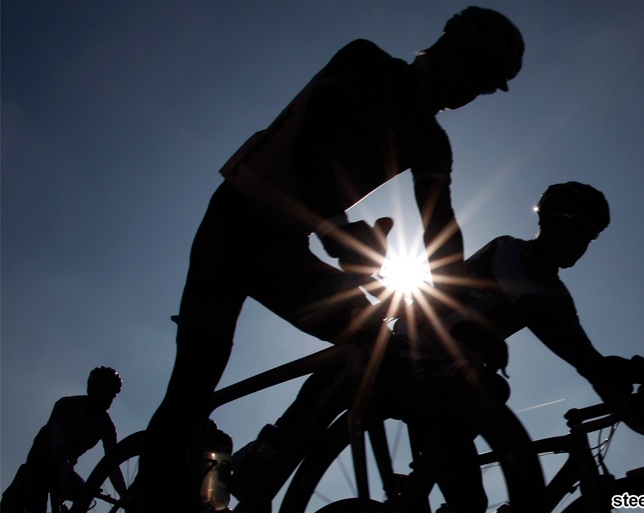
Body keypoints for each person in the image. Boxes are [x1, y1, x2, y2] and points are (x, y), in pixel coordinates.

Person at [137, 6, 525, 512]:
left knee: (374, 343)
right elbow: (311, 144)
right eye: (478, 75)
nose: (475, 93)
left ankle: (270, 457)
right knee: (197, 372)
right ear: (450, 49)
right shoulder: (366, 63)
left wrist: (458, 311)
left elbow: (440, 227)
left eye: (488, 86)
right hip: (236, 220)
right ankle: (150, 492)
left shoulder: (432, 141)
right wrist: (337, 231)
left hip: (287, 245)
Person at [385, 182, 644, 513]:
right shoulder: (510, 250)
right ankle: (415, 491)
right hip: (411, 350)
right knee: (489, 391)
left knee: (470, 505)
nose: (584, 242)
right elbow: (534, 313)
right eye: (580, 227)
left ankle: (415, 493)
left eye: (593, 235)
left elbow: (585, 361)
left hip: (456, 370)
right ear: (549, 221)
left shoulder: (558, 295)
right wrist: (600, 365)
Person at [1, 367, 127, 513]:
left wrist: (125, 496)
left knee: (81, 496)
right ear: (91, 389)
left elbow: (112, 463)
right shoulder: (67, 406)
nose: (106, 399)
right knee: (35, 504)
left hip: (64, 469)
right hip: (40, 462)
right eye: (102, 392)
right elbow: (57, 439)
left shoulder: (106, 426)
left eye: (111, 394)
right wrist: (66, 470)